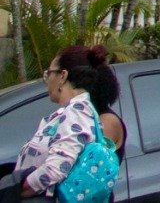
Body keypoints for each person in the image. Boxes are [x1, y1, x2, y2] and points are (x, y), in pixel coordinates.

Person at [2, 45, 117, 201]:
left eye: (49, 73)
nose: (47, 79)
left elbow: (55, 169)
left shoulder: (76, 114)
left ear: (62, 76)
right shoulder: (78, 112)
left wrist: (14, 191)